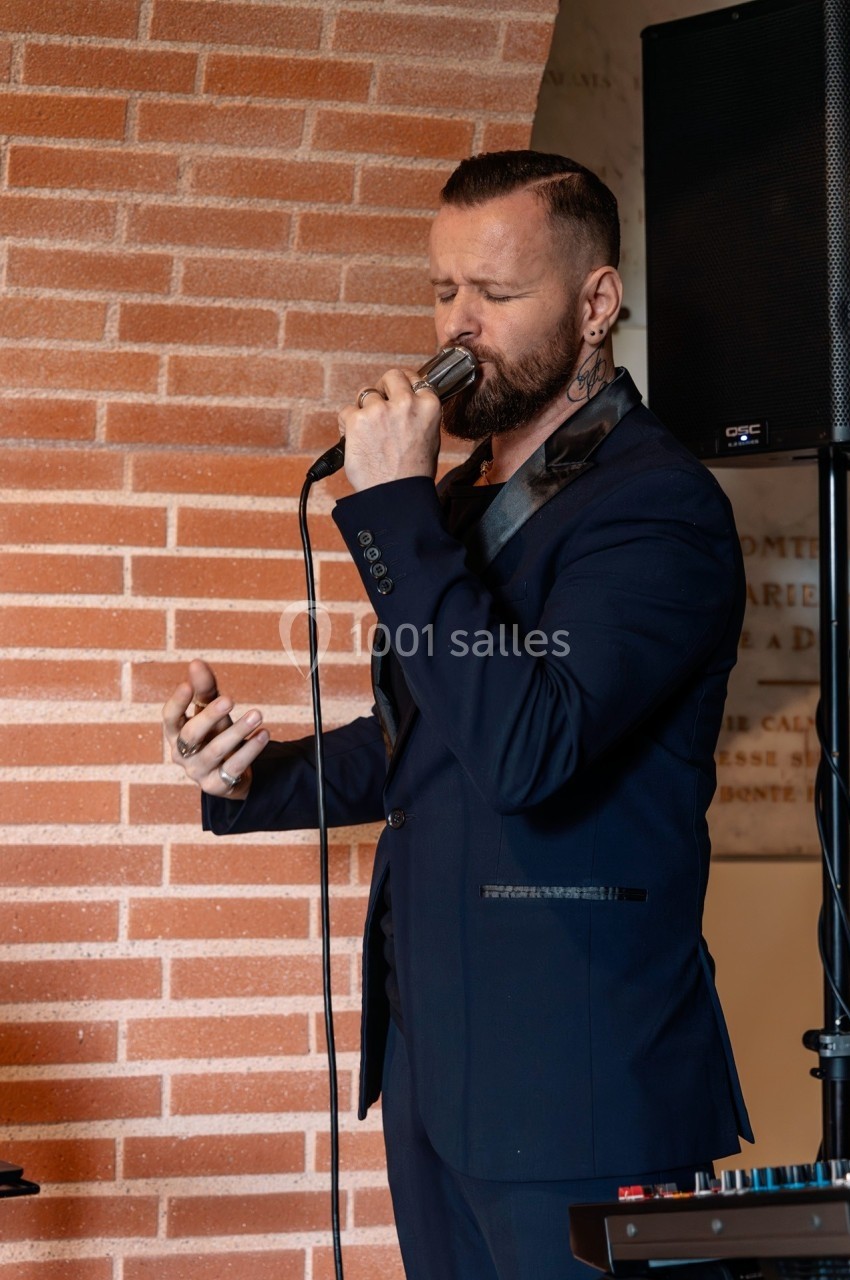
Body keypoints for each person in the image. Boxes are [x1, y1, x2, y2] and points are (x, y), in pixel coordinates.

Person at [163, 150, 752, 1280]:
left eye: (497, 291)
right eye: (443, 291)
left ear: (595, 304)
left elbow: (527, 747)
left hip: (584, 1093)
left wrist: (393, 509)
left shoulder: (656, 508)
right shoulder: (457, 503)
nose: (458, 324)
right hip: (439, 1078)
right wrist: (252, 774)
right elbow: (429, 742)